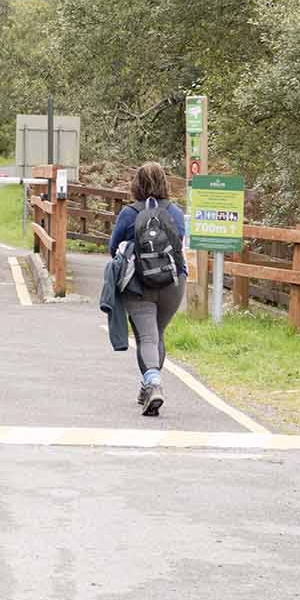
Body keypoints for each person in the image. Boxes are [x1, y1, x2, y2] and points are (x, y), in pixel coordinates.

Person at [108, 161, 189, 416]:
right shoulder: (175, 212)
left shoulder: (129, 213)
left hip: (138, 284)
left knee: (146, 337)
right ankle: (148, 386)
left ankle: (153, 383)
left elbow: (113, 248)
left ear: (136, 184)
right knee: (157, 335)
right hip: (173, 284)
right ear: (164, 183)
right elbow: (179, 244)